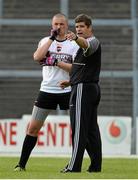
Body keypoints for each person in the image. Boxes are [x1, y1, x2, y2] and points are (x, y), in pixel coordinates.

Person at [14, 13, 78, 171]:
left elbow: (76, 69)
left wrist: (56, 62)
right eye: (56, 24)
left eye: (62, 24)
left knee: (78, 129)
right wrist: (51, 39)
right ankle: (21, 165)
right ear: (52, 25)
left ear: (67, 25)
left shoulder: (73, 44)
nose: (58, 27)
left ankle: (75, 164)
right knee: (33, 128)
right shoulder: (45, 41)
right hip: (47, 90)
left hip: (67, 89)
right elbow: (37, 57)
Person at [57, 14, 102, 173]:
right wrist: (71, 81)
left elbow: (86, 46)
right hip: (85, 86)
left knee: (78, 129)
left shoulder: (92, 42)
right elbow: (82, 68)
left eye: (82, 26)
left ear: (90, 27)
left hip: (84, 89)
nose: (79, 29)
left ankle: (74, 166)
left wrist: (75, 37)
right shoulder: (80, 45)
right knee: (90, 130)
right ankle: (95, 166)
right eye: (76, 27)